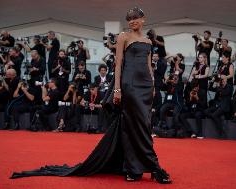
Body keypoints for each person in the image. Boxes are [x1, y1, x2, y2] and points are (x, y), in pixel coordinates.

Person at [10, 7, 172, 184]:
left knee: (144, 125)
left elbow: (149, 66)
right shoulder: (124, 37)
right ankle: (143, 168)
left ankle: (138, 167)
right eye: (129, 18)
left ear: (143, 19)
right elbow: (118, 65)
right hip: (129, 85)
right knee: (133, 126)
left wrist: (153, 86)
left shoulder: (148, 41)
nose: (132, 21)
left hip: (146, 87)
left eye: (135, 18)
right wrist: (117, 89)